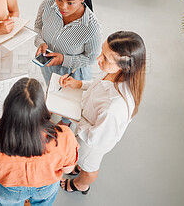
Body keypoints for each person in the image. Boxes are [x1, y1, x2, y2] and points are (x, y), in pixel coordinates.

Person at [59, 31, 146, 194]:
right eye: (102, 52)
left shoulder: (115, 107)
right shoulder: (114, 73)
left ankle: (81, 185)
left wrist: (75, 116)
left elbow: (96, 137)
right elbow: (97, 83)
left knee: (89, 166)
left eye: (106, 58)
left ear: (125, 67)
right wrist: (79, 84)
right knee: (80, 159)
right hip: (87, 125)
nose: (98, 59)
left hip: (92, 142)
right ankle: (78, 166)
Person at [0, 78, 79, 205]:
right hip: (46, 186)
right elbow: (67, 170)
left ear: (8, 108)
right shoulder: (64, 135)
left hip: (9, 188)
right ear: (43, 107)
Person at [34, 0, 102, 126]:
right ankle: (50, 106)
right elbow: (37, 27)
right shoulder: (47, 4)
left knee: (68, 102)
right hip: (48, 63)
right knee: (51, 87)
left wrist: (64, 59)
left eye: (70, 3)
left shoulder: (91, 28)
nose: (62, 7)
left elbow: (91, 58)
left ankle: (65, 122)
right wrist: (41, 42)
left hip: (73, 72)